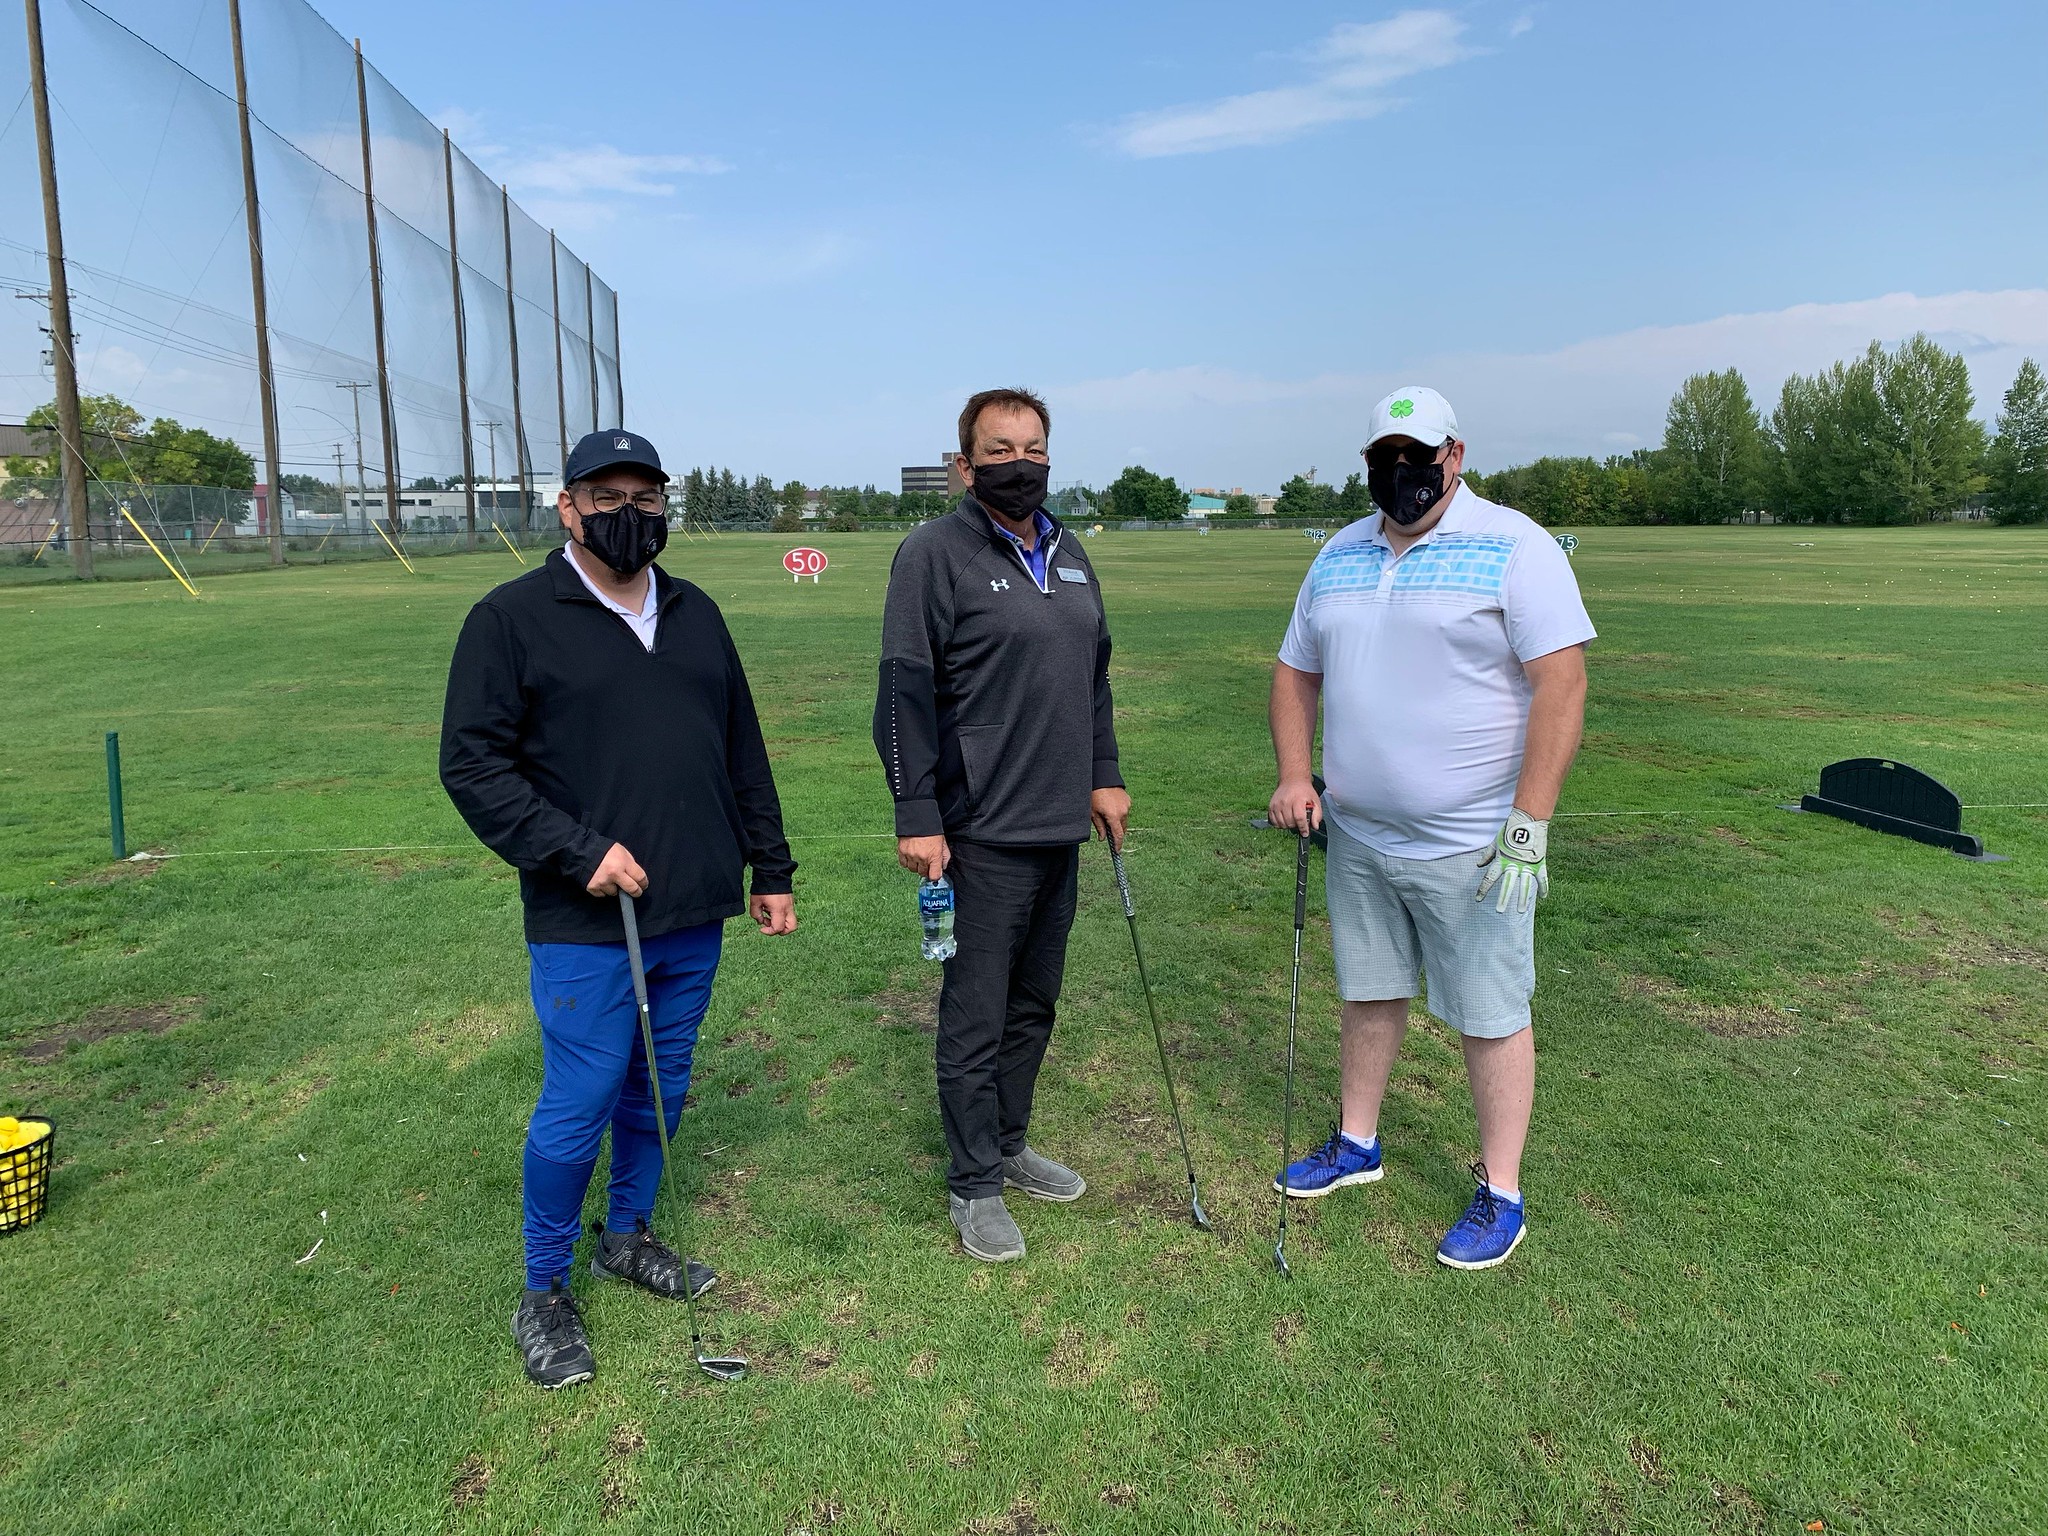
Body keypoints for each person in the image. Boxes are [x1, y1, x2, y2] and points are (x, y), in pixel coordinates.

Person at [440, 428, 798, 1387]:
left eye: (647, 497)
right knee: (583, 1096)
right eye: (608, 497)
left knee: (662, 1087)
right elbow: (471, 765)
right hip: (587, 918)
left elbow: (742, 750)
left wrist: (772, 869)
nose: (629, 514)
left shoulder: (695, 611)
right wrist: (579, 851)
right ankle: (544, 1289)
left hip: (694, 903)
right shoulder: (511, 617)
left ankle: (627, 1234)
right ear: (567, 507)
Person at [1267, 386, 1592, 1270]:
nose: (1401, 473)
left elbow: (1561, 682)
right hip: (1361, 838)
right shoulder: (1337, 554)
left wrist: (1531, 822)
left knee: (1489, 1013)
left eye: (1419, 455)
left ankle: (1502, 1192)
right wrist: (1297, 775)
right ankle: (1358, 1144)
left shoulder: (1516, 547)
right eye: (1385, 458)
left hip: (1476, 845)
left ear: (1455, 455)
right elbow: (1296, 671)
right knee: (1368, 990)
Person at [873, 387, 1130, 1263]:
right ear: (964, 463)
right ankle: (973, 1181)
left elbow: (1092, 682)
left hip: (1060, 824)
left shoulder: (1071, 551)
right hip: (979, 830)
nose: (1018, 461)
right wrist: (918, 810)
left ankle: (1009, 1141)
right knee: (976, 1012)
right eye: (999, 447)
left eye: (1033, 446)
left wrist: (1105, 776)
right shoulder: (932, 554)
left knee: (1034, 1002)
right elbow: (903, 691)